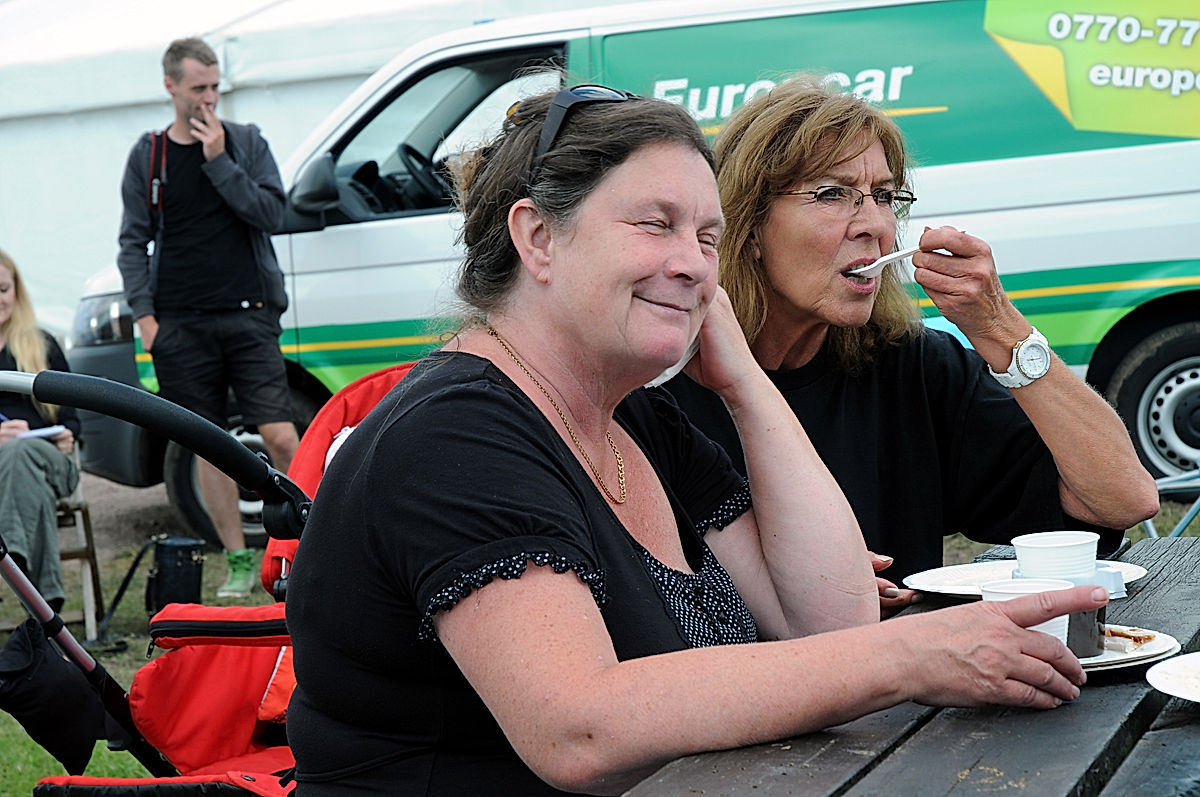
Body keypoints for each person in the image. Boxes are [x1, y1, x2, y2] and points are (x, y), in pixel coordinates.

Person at [284, 83, 1110, 796]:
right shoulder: (457, 431)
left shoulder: (635, 414)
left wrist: (746, 381)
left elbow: (828, 621)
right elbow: (579, 728)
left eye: (708, 238)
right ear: (537, 237)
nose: (691, 263)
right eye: (656, 224)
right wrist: (913, 654)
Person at [665, 76, 1159, 610]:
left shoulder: (909, 365)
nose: (875, 225)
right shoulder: (658, 384)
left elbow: (1123, 499)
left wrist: (999, 327)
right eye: (832, 194)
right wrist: (827, 589)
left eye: (883, 196)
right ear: (750, 225)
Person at [116, 36, 299, 597]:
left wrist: (219, 162)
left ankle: (303, 547)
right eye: (198, 88)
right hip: (180, 325)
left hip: (249, 314)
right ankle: (239, 561)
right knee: (207, 443)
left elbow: (272, 212)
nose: (209, 100)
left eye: (216, 87)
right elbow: (132, 243)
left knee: (281, 435)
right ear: (170, 86)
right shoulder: (150, 155)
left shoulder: (244, 142)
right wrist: (146, 319)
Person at [0, 248, 82, 612]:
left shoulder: (42, 345)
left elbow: (73, 419)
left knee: (22, 452)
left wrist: (66, 435)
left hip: (51, 460)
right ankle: (47, 605)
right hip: (22, 480)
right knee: (27, 482)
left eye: (2, 288)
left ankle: (12, 555)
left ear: (16, 292)